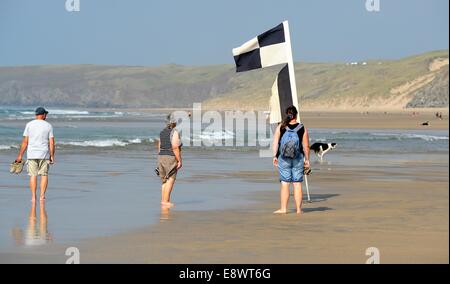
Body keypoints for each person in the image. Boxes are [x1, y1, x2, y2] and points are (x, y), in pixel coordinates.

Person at [271, 106, 310, 214]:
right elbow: (306, 146)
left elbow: (275, 143)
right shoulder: (302, 128)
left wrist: (274, 156)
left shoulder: (281, 127)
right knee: (297, 184)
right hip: (298, 159)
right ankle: (298, 210)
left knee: (285, 183)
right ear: (296, 115)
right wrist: (307, 159)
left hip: (284, 159)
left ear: (287, 114)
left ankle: (283, 209)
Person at [16, 107, 55, 203]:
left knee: (33, 175)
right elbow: (51, 142)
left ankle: (33, 197)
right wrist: (52, 155)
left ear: (36, 115)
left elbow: (25, 141)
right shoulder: (48, 126)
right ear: (43, 115)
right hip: (44, 154)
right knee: (44, 175)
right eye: (45, 114)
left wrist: (20, 155)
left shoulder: (29, 124)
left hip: (32, 154)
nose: (46, 115)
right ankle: (42, 197)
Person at [157, 114, 182, 208]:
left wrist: (161, 156)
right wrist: (179, 161)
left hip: (161, 157)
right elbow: (175, 147)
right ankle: (166, 201)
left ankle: (163, 200)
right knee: (170, 179)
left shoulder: (162, 132)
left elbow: (159, 146)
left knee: (164, 180)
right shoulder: (175, 132)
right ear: (173, 123)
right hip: (170, 158)